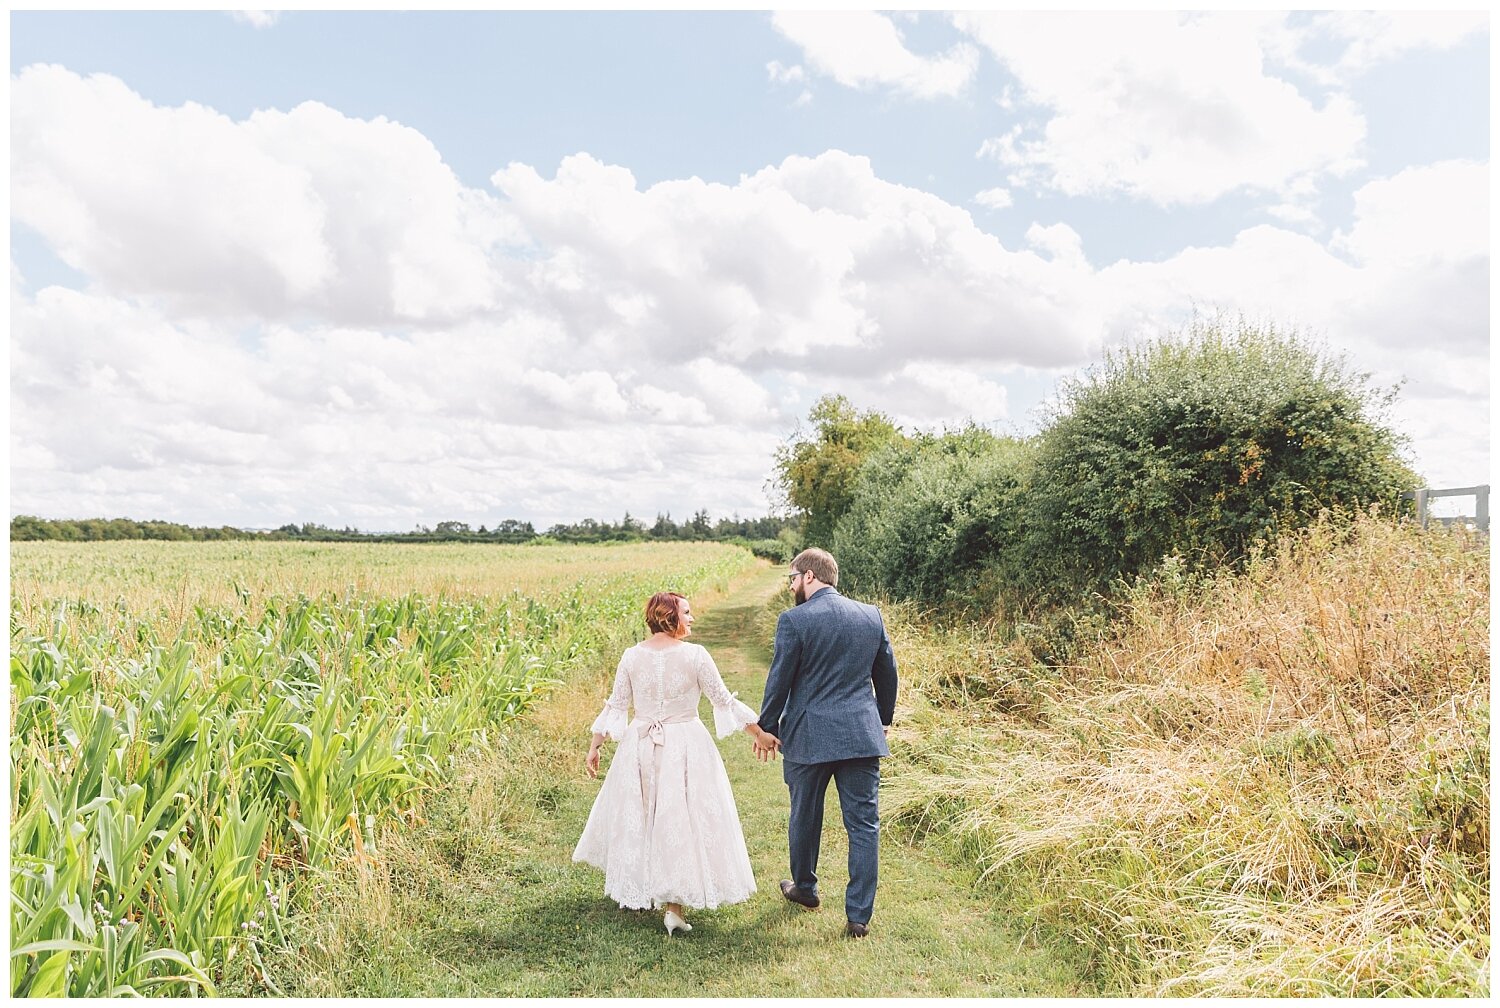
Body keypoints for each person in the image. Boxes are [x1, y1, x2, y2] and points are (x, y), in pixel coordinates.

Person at [574, 590, 779, 935]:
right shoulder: (696, 656)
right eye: (687, 612)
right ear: (670, 617)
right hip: (684, 743)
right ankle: (672, 907)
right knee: (678, 817)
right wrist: (758, 734)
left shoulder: (631, 656)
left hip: (640, 744)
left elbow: (617, 705)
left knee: (642, 813)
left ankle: (641, 891)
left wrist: (595, 745)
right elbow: (722, 701)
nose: (692, 618)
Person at [753, 547, 897, 939]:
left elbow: (779, 679)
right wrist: (883, 718)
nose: (792, 585)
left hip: (809, 735)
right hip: (861, 735)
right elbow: (888, 671)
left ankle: (805, 888)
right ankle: (859, 916)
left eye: (793, 578)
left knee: (805, 814)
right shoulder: (871, 616)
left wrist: (767, 726)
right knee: (864, 825)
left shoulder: (794, 621)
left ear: (810, 577)